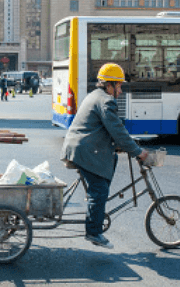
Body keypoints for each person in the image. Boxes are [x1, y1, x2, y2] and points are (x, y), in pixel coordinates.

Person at [61, 63, 148, 249]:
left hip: (82, 147)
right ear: (109, 86)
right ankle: (93, 231)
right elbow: (117, 130)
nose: (121, 90)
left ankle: (96, 208)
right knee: (99, 190)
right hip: (83, 150)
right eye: (119, 86)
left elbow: (109, 129)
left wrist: (125, 146)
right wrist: (137, 151)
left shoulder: (95, 96)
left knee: (111, 162)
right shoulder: (106, 101)